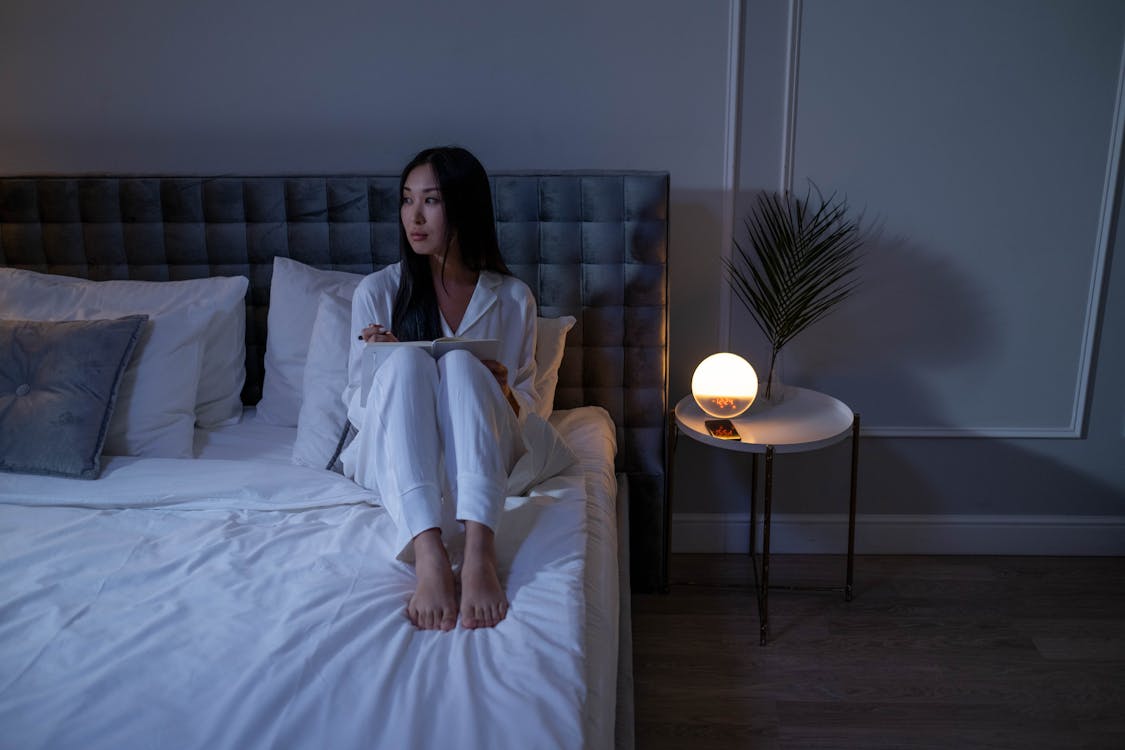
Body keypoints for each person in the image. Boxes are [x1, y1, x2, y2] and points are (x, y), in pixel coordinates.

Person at [339, 146, 540, 632]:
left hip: (481, 445)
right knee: (406, 361)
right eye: (407, 201)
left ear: (463, 206)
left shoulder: (512, 298)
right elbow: (358, 413)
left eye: (431, 200)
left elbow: (533, 409)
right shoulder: (378, 292)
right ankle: (428, 552)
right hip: (393, 449)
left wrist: (504, 392)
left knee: (465, 368)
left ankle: (477, 552)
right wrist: (380, 366)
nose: (415, 216)